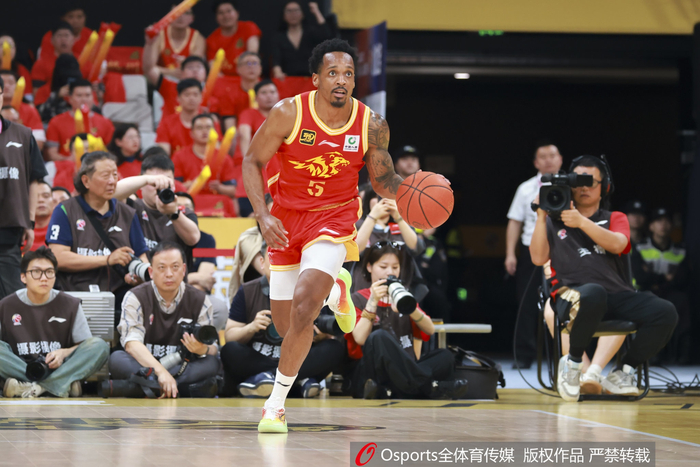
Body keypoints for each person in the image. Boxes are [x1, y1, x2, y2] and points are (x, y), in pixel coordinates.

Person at [243, 38, 447, 432]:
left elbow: (383, 180)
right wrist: (262, 215)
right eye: (333, 73)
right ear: (316, 78)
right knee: (286, 327)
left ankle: (275, 405)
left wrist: (415, 191)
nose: (341, 80)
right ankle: (337, 288)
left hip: (333, 219)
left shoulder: (371, 125)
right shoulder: (288, 113)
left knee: (305, 306)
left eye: (348, 74)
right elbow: (252, 161)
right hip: (286, 219)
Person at [529, 155, 678, 401]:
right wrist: (541, 217)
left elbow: (619, 244)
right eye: (578, 181)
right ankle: (573, 366)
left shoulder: (615, 217)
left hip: (615, 296)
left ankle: (624, 372)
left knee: (665, 311)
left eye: (590, 182)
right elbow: (537, 258)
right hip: (571, 295)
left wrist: (581, 222)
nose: (584, 187)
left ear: (604, 186)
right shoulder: (554, 221)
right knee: (594, 292)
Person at [221, 240, 346, 397]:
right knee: (230, 350)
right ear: (262, 263)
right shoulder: (247, 291)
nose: (281, 263)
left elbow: (328, 331)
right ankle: (299, 381)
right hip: (260, 359)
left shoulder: (311, 291)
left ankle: (265, 379)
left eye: (288, 258)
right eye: (274, 256)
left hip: (299, 358)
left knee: (334, 348)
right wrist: (251, 327)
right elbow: (229, 336)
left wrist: (320, 336)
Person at [346, 241, 467, 399]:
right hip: (371, 371)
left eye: (395, 267)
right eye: (383, 267)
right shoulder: (357, 298)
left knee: (445, 356)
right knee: (379, 336)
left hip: (404, 369)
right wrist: (373, 301)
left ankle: (392, 390)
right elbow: (360, 338)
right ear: (369, 267)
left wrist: (411, 308)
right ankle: (430, 387)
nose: (390, 272)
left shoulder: (403, 296)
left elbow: (430, 329)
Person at [46, 152, 149, 319]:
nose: (112, 181)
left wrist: (138, 276)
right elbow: (58, 257)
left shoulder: (127, 213)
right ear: (86, 180)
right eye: (105, 175)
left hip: (119, 298)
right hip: (74, 297)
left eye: (115, 174)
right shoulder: (65, 210)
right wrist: (107, 259)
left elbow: (142, 256)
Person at [110, 242, 219, 398]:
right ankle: (175, 387)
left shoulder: (200, 300)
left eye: (175, 267)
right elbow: (132, 344)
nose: (169, 274)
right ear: (151, 272)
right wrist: (161, 372)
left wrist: (202, 349)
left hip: (181, 366)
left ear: (183, 270)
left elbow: (212, 348)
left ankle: (149, 387)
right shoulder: (135, 296)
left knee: (211, 363)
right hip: (144, 364)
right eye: (161, 268)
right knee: (117, 359)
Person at [0, 247, 109, 398]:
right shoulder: (6, 305)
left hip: (60, 367)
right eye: (36, 272)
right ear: (23, 277)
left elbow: (84, 346)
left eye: (49, 272)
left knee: (99, 346)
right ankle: (61, 384)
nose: (44, 278)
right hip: (21, 367)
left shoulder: (70, 304)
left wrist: (64, 353)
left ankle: (34, 388)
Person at [506, 141, 563, 369]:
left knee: (563, 301)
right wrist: (510, 254)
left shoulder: (572, 185)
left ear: (560, 159)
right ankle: (523, 355)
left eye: (553, 155)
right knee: (527, 303)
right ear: (536, 162)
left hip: (563, 251)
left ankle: (562, 353)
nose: (548, 160)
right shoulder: (526, 188)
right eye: (543, 156)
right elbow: (514, 221)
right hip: (531, 251)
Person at [0, 76, 47, 300]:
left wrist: (30, 222)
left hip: (8, 231)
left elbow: (33, 180)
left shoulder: (23, 135)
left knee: (11, 299)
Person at [114, 154, 200, 270]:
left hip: (174, 279)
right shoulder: (131, 208)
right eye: (154, 183)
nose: (159, 187)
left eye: (166, 182)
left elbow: (193, 238)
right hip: (138, 279)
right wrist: (146, 179)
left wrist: (173, 213)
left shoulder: (183, 213)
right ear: (141, 184)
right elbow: (111, 193)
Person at [634, 208, 691, 363]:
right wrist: (665, 277)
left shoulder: (680, 249)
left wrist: (654, 277)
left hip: (671, 292)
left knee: (682, 303)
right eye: (659, 221)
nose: (663, 225)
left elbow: (684, 277)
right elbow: (640, 276)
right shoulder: (640, 247)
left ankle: (682, 355)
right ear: (651, 226)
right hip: (647, 292)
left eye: (667, 221)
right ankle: (652, 354)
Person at [233, 79, 279, 216]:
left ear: (278, 95)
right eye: (264, 93)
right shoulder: (248, 114)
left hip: (276, 166)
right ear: (256, 98)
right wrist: (249, 161)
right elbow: (244, 135)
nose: (269, 96)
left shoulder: (284, 115)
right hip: (256, 164)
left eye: (272, 92)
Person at [45, 79, 115, 163]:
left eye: (88, 95)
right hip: (67, 167)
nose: (84, 99)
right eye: (79, 95)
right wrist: (70, 160)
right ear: (70, 99)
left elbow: (112, 153)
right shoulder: (56, 122)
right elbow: (51, 154)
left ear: (93, 97)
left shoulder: (105, 122)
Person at [142, 34, 209, 119]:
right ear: (181, 72)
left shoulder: (213, 90)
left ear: (206, 72)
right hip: (170, 127)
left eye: (199, 67)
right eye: (190, 67)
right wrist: (149, 44)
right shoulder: (169, 87)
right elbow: (149, 70)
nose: (195, 70)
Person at [172, 114, 236, 198]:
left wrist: (220, 187)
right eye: (199, 128)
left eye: (208, 127)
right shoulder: (179, 156)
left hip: (216, 202)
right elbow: (173, 188)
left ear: (215, 132)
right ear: (191, 133)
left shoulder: (224, 158)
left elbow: (234, 191)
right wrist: (194, 184)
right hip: (189, 201)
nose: (204, 131)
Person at [156, 79, 221, 155]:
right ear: (178, 98)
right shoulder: (167, 123)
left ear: (201, 97)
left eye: (195, 94)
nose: (191, 98)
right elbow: (163, 153)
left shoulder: (210, 122)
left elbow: (216, 150)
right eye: (187, 95)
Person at [271, 2, 333, 80]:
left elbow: (326, 35)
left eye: (296, 10)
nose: (293, 14)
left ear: (302, 14)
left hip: (311, 79)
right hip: (288, 79)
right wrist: (277, 72)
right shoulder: (279, 37)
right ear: (284, 15)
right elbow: (276, 59)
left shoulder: (311, 32)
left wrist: (316, 11)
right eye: (289, 11)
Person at [210, 52, 263, 131]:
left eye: (255, 63)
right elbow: (230, 128)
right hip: (241, 134)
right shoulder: (230, 94)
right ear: (238, 69)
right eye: (247, 63)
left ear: (261, 68)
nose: (251, 66)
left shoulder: (270, 90)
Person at [206, 1, 261, 77]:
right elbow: (214, 69)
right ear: (216, 17)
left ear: (237, 13)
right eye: (221, 13)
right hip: (225, 80)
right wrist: (225, 82)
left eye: (229, 11)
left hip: (248, 77)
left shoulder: (248, 28)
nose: (226, 16)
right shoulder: (211, 40)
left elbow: (252, 56)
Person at [31, 23, 76, 106]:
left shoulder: (82, 61)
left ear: (73, 39)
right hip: (50, 101)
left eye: (66, 35)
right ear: (52, 40)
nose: (63, 39)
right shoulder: (41, 63)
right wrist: (56, 94)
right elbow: (36, 93)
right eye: (59, 36)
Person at [152, 5, 205, 71]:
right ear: (168, 16)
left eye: (186, 13)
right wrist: (173, 72)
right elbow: (149, 68)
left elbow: (194, 69)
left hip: (187, 77)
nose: (180, 16)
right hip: (161, 76)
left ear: (192, 18)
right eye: (176, 12)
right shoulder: (159, 35)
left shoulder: (198, 39)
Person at [0, 70, 44, 150]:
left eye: (10, 83)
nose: (6, 86)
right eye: (2, 83)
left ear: (17, 86)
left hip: (20, 154)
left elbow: (38, 143)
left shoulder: (30, 110)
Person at [36, 54, 83, 123]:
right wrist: (56, 96)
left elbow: (93, 112)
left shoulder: (84, 91)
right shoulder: (44, 90)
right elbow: (39, 115)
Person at [31, 181, 55, 252]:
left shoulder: (64, 227)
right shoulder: (20, 231)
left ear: (53, 201)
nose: (40, 200)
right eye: (35, 196)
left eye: (46, 196)